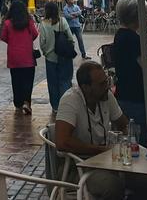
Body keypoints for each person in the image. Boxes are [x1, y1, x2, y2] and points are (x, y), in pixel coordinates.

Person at [54, 62, 133, 200]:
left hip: (105, 162)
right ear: (86, 87)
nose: (107, 86)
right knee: (112, 185)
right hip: (76, 166)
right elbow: (62, 142)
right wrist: (101, 150)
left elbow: (124, 124)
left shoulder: (105, 95)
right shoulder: (70, 100)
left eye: (107, 81)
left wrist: (126, 141)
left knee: (144, 178)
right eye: (102, 84)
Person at [111, 0, 147, 125]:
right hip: (136, 95)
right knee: (140, 132)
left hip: (123, 92)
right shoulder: (134, 39)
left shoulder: (120, 35)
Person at [0, 0, 38, 116]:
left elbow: (3, 37)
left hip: (14, 57)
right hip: (28, 57)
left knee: (16, 81)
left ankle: (18, 103)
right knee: (28, 81)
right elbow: (35, 34)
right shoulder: (29, 22)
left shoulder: (8, 23)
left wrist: (12, 42)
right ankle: (27, 102)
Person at [39, 1, 76, 114]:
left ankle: (55, 106)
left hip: (51, 58)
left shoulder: (43, 24)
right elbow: (70, 38)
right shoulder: (62, 21)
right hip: (64, 56)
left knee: (52, 83)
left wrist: (46, 52)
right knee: (65, 81)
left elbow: (42, 42)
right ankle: (66, 105)